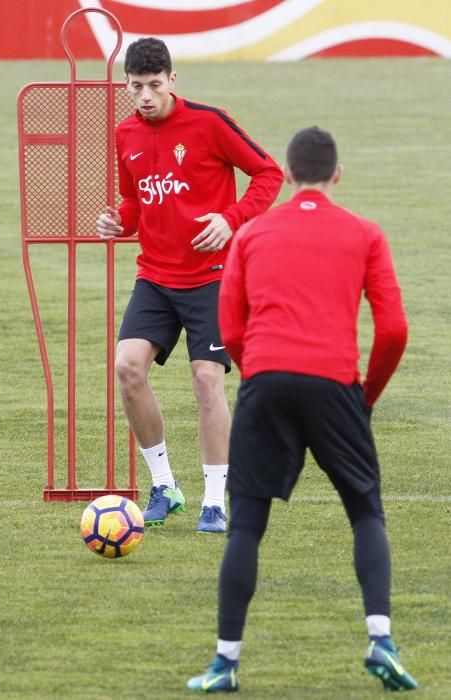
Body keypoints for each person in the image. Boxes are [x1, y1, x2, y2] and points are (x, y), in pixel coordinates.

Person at [187, 127, 418, 691]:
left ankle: (225, 663)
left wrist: (258, 371)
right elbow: (392, 330)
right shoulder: (365, 233)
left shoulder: (252, 234)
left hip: (265, 381)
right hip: (334, 383)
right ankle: (382, 640)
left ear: (286, 175)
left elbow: (232, 325)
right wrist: (363, 399)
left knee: (245, 527)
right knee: (366, 512)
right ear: (337, 175)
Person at [96, 38, 283, 533]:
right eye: (136, 87)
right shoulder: (125, 133)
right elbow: (136, 201)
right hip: (155, 277)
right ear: (127, 85)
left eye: (154, 86)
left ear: (172, 80)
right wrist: (119, 220)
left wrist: (232, 218)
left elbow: (268, 172)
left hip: (212, 278)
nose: (145, 96)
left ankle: (215, 501)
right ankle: (164, 486)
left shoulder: (209, 122)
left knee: (206, 380)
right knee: (126, 369)